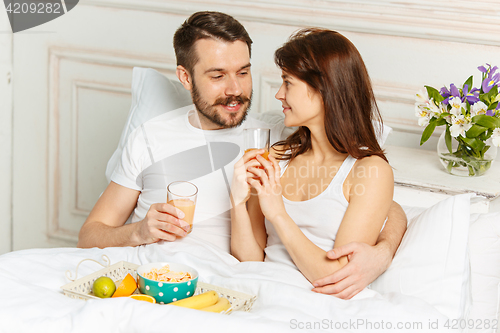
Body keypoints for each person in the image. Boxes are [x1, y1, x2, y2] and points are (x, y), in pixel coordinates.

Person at [77, 11, 406, 299]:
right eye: (218, 76)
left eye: (243, 72)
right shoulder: (150, 136)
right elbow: (90, 235)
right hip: (145, 273)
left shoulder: (271, 136)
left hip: (224, 284)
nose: (234, 88)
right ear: (185, 77)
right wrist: (138, 233)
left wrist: (383, 250)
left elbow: (376, 197)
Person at [230, 28, 401, 298]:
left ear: (323, 89)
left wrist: (278, 215)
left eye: (288, 82)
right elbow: (249, 258)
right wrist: (237, 203)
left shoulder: (369, 172)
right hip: (260, 289)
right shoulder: (275, 157)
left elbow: (335, 278)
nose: (279, 94)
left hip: (317, 304)